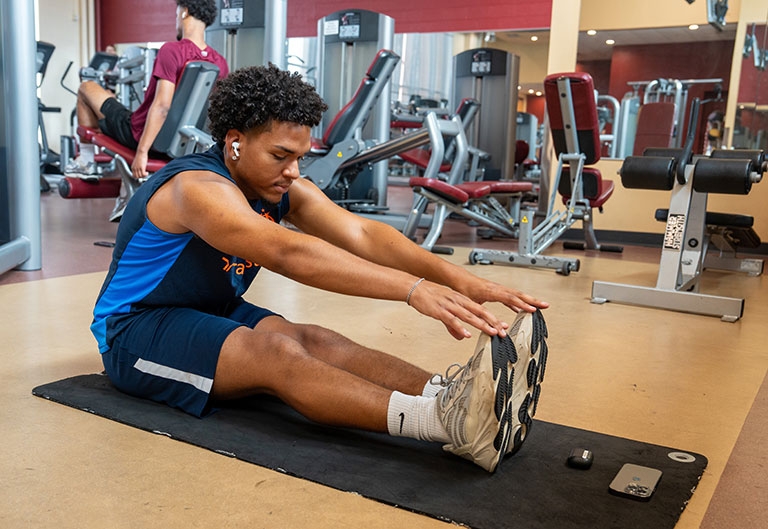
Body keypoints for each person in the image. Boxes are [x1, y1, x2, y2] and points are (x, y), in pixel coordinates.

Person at [90, 64, 550, 473]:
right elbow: (288, 252)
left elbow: (363, 234)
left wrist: (463, 280)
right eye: (280, 155)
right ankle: (445, 424)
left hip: (211, 308)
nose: (293, 171)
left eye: (299, 157)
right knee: (277, 354)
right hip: (135, 329)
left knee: (315, 339)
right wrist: (414, 289)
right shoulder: (196, 189)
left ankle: (452, 394)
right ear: (234, 142)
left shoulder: (279, 185)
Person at [73, 0, 228, 179]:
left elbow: (162, 106)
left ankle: (86, 162)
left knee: (86, 87)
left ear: (185, 12)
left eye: (176, 14)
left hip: (142, 136)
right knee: (108, 97)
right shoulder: (220, 62)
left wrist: (141, 152)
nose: (176, 19)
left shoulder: (172, 50)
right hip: (185, 146)